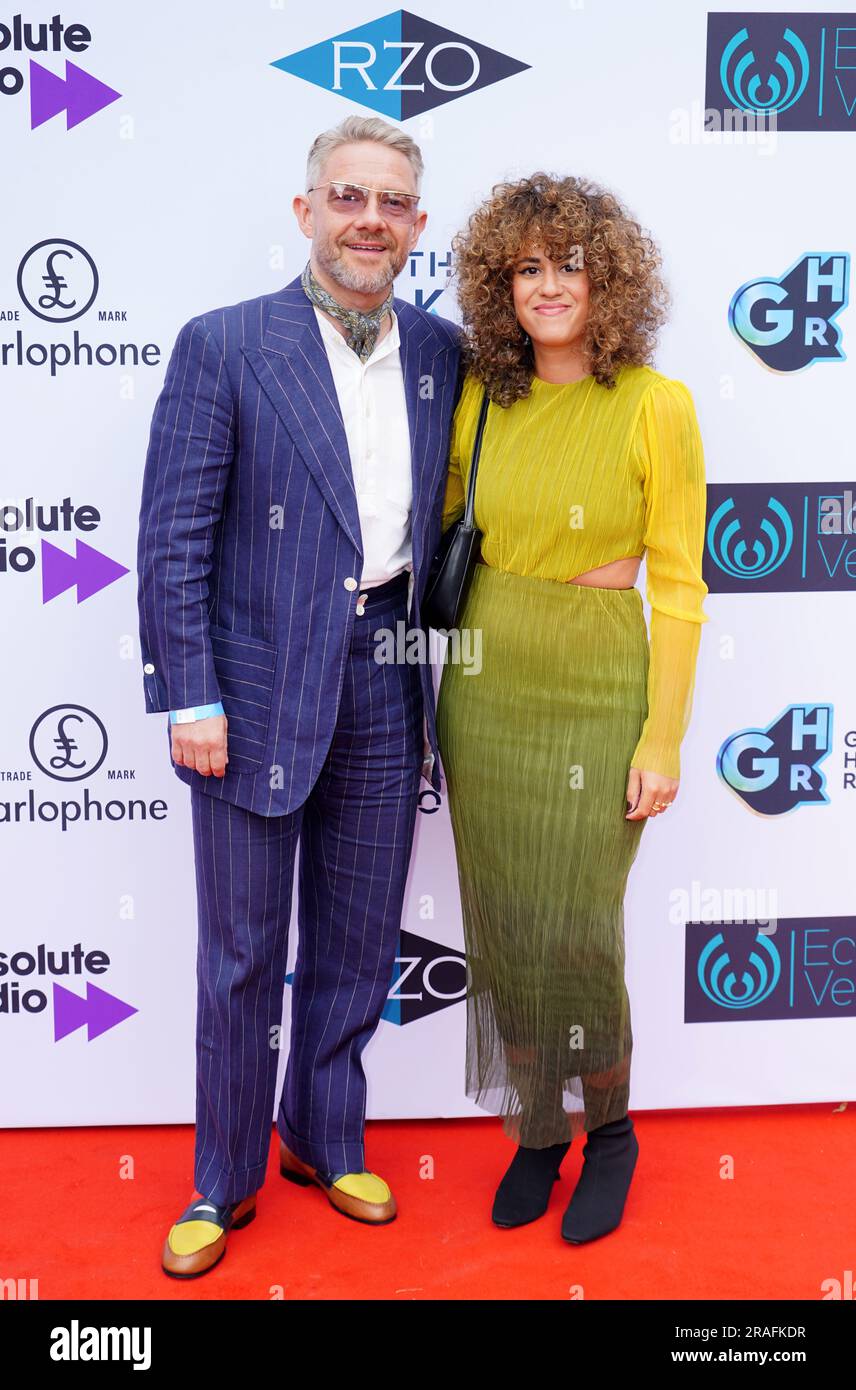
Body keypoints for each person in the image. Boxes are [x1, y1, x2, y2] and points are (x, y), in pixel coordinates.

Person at [136, 114, 461, 1278]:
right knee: (237, 952)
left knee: (357, 941)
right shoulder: (223, 345)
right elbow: (173, 534)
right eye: (347, 196)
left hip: (385, 676)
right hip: (254, 686)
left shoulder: (440, 352)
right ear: (307, 210)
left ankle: (325, 1140)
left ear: (416, 226)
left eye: (392, 203)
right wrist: (189, 696)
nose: (369, 218)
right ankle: (219, 1181)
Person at [434, 172, 709, 1243]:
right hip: (486, 681)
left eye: (569, 263)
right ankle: (535, 1132)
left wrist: (663, 734)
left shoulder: (654, 404)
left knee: (578, 932)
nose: (548, 286)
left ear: (611, 277)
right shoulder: (479, 398)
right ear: (501, 285)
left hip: (597, 683)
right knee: (504, 926)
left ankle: (610, 1133)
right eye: (527, 268)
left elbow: (679, 585)